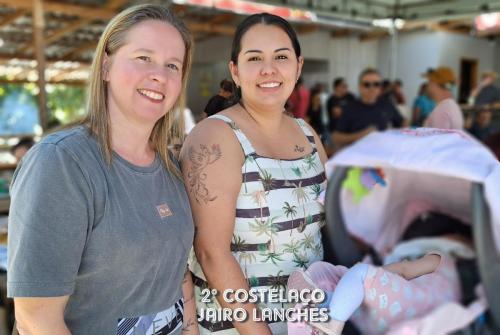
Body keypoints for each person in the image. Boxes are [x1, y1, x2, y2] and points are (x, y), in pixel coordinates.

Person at [8, 5, 197, 335]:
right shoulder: (61, 163)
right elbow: (36, 319)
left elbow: (178, 277)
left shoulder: (171, 168)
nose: (159, 74)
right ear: (106, 64)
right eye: (144, 57)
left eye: (172, 65)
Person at [181, 13, 328, 335]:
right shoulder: (215, 137)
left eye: (281, 57)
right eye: (254, 58)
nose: (269, 69)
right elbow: (210, 252)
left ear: (298, 66)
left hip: (309, 317)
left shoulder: (307, 133)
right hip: (239, 324)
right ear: (235, 70)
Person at [288, 253, 460, 335]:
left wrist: (374, 274)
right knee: (357, 301)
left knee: (361, 275)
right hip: (387, 322)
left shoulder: (441, 259)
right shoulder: (457, 293)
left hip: (405, 307)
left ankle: (330, 322)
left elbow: (404, 269)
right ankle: (326, 301)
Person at [332, 68, 404, 147]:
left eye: (376, 84)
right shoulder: (350, 108)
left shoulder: (387, 104)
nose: (372, 88)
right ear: (360, 87)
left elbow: (402, 121)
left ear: (380, 87)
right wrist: (361, 135)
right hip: (358, 155)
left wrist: (398, 135)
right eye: (367, 85)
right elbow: (336, 138)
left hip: (384, 153)